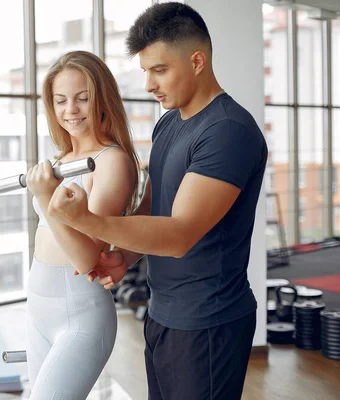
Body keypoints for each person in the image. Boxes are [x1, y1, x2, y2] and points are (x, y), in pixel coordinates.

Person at [45, 3, 268, 400]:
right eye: (146, 70)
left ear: (197, 60)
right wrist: (125, 256)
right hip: (163, 312)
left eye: (159, 70)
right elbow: (152, 206)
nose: (149, 84)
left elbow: (179, 234)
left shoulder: (227, 131)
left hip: (208, 322)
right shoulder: (170, 122)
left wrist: (84, 220)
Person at [23, 50, 142, 400]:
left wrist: (46, 197)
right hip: (37, 307)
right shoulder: (60, 161)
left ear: (102, 100)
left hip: (80, 314)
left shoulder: (112, 161)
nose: (70, 110)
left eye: (82, 99)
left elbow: (87, 259)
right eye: (60, 100)